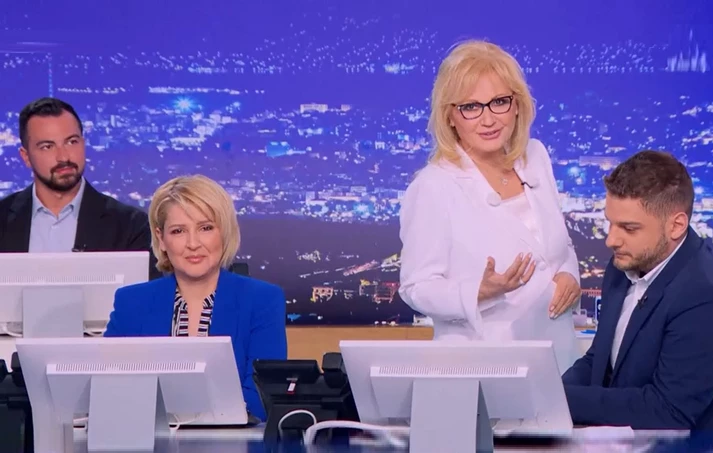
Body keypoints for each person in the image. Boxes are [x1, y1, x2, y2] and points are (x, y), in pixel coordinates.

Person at [399, 40, 581, 371]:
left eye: (499, 102)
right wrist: (478, 291)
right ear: (450, 116)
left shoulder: (535, 157)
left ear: (517, 105)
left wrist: (569, 272)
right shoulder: (433, 186)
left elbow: (559, 246)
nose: (488, 119)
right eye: (471, 107)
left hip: (558, 357)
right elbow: (416, 287)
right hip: (484, 364)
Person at [104, 175, 287, 421]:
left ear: (224, 232)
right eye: (178, 231)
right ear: (161, 239)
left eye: (205, 228)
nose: (193, 243)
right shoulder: (131, 303)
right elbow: (108, 389)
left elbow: (261, 398)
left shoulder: (262, 301)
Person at [562, 151, 713, 429]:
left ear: (676, 226)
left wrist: (565, 401)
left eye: (629, 228)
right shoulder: (622, 265)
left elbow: (670, 410)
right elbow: (599, 359)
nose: (611, 240)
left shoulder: (702, 292)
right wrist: (549, 395)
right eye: (610, 222)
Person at [0, 97, 160, 279]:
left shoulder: (130, 227)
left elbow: (148, 294)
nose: (63, 157)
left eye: (72, 142)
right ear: (26, 157)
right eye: (47, 146)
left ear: (83, 143)